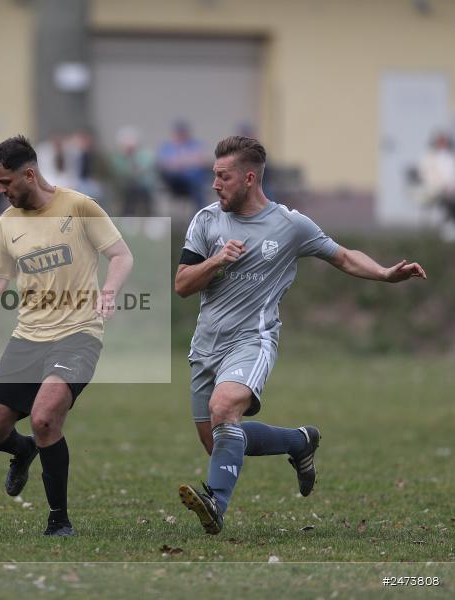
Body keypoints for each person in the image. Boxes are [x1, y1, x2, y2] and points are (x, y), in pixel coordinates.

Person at [174, 136, 426, 534]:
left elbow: (341, 255)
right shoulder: (206, 220)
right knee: (220, 442)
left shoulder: (289, 225)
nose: (215, 184)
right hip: (206, 345)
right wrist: (217, 261)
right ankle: (299, 442)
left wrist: (383, 273)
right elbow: (183, 285)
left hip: (252, 340)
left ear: (249, 177)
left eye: (223, 177)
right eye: (214, 176)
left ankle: (215, 505)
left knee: (225, 411)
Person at [0, 135, 134, 536]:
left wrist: (109, 292)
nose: (0, 191)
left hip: (78, 334)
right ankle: (23, 451)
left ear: (29, 174)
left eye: (5, 183)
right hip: (28, 338)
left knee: (44, 417)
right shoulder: (7, 224)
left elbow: (121, 255)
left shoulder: (79, 206)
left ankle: (59, 520)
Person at [157, 120, 211, 210]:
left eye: (183, 132)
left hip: (192, 182)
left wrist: (181, 162)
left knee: (197, 179)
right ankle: (200, 213)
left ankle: (199, 215)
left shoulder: (195, 144)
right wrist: (188, 161)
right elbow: (166, 164)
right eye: (179, 132)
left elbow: (202, 161)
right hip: (175, 182)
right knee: (192, 177)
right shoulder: (167, 146)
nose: (181, 135)